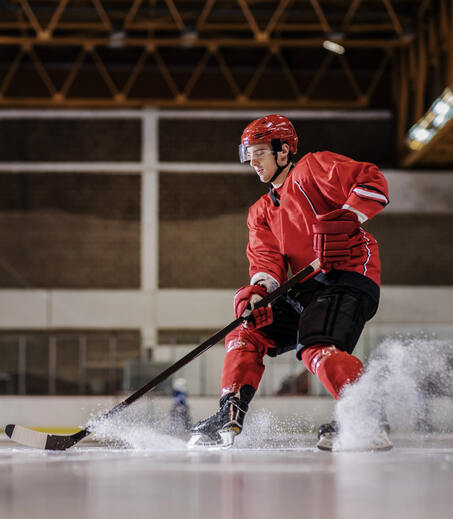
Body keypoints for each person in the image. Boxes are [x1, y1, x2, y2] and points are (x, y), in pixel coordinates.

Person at [188, 114, 390, 450]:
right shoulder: (260, 211)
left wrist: (348, 218)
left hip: (347, 275)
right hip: (302, 288)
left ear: (284, 152)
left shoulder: (313, 168)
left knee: (316, 345)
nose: (253, 161)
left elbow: (372, 183)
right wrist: (258, 295)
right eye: (248, 154)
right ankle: (230, 412)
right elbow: (267, 264)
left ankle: (366, 417)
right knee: (245, 330)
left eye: (260, 152)